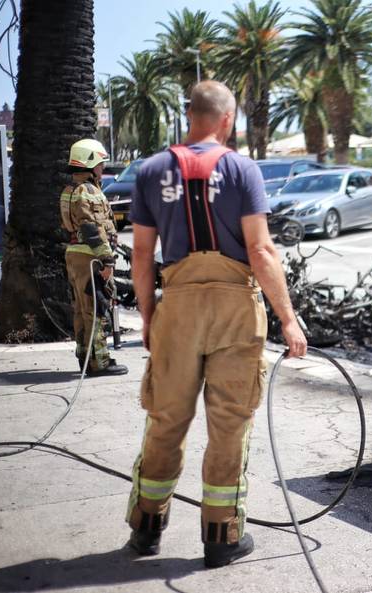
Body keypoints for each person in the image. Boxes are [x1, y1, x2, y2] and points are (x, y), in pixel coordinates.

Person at [125, 80, 308, 568]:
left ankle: (146, 529)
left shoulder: (151, 169)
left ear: (191, 115)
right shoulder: (241, 168)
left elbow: (142, 254)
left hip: (178, 306)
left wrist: (149, 316)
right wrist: (288, 321)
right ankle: (221, 537)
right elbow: (261, 250)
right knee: (229, 424)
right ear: (228, 120)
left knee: (166, 418)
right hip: (233, 308)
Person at [59, 139, 128, 377]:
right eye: (100, 162)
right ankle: (99, 361)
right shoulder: (88, 192)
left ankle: (85, 358)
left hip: (76, 255)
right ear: (89, 163)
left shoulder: (70, 191)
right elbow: (91, 228)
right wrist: (107, 261)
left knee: (82, 309)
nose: (102, 168)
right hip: (91, 257)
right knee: (97, 309)